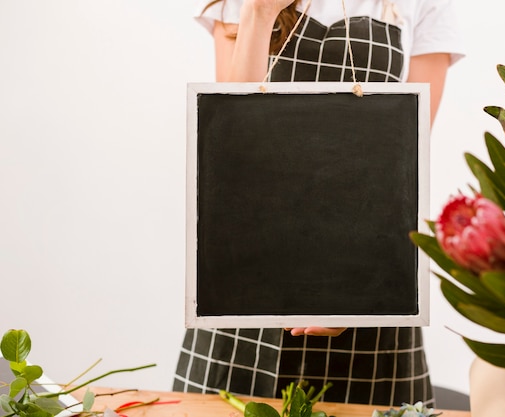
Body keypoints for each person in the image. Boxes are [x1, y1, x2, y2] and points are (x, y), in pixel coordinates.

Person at [174, 0, 464, 408]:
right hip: (246, 279)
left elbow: (405, 161)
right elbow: (230, 139)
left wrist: (352, 295)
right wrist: (259, 13)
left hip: (367, 281)